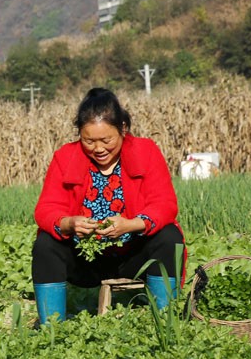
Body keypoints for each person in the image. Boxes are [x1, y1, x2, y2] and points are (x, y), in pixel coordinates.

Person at [32, 88, 185, 323]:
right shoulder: (65, 156)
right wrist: (68, 223)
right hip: (86, 260)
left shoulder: (146, 151)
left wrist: (131, 225)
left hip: (134, 256)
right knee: (45, 242)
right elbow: (46, 209)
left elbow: (165, 204)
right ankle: (51, 328)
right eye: (89, 141)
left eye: (107, 140)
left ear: (123, 128)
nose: (99, 148)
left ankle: (166, 321)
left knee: (169, 235)